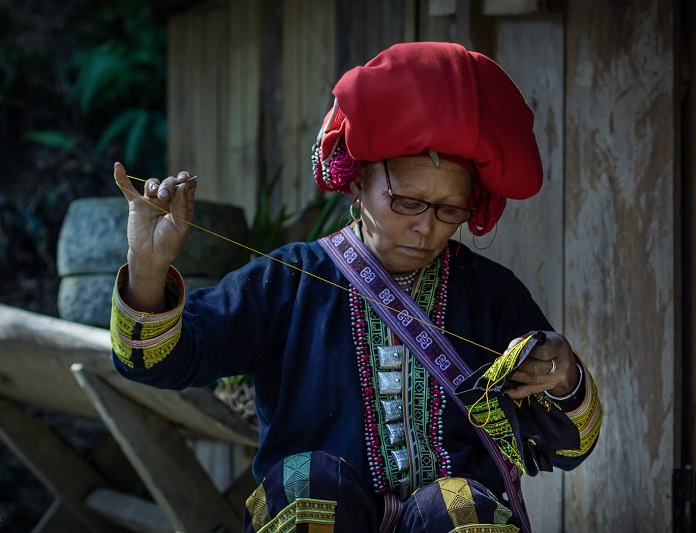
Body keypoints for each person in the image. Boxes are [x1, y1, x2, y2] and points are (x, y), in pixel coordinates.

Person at [110, 42, 602, 533]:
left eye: (449, 210)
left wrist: (564, 378)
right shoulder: (288, 281)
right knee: (306, 484)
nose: (425, 228)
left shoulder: (492, 293)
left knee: (460, 507)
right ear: (358, 181)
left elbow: (566, 450)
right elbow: (157, 361)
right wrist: (149, 268)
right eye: (406, 201)